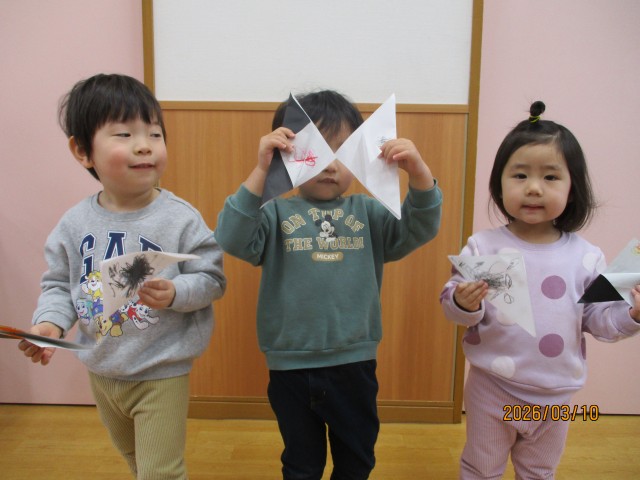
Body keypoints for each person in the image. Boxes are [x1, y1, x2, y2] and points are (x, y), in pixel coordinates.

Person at [215, 90, 443, 479]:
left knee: (356, 459)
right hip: (290, 366)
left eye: (342, 151)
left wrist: (419, 174)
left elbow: (418, 228)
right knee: (301, 464)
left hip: (354, 363)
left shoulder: (370, 212)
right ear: (287, 156)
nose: (330, 165)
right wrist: (261, 171)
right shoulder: (273, 213)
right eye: (315, 151)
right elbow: (232, 237)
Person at [19, 73, 227, 480]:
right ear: (83, 151)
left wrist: (176, 292)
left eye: (154, 133)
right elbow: (59, 284)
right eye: (124, 134)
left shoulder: (180, 218)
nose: (145, 145)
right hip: (101, 369)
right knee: (135, 460)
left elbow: (212, 279)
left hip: (161, 370)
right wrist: (50, 324)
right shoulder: (74, 223)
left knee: (160, 472)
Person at [440, 101, 640, 479]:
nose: (533, 188)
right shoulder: (483, 247)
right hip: (492, 387)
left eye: (550, 177)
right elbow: (453, 304)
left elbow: (600, 321)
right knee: (481, 467)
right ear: (499, 184)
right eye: (519, 175)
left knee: (539, 471)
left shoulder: (586, 257)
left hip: (556, 395)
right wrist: (463, 303)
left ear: (572, 188)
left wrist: (631, 315)